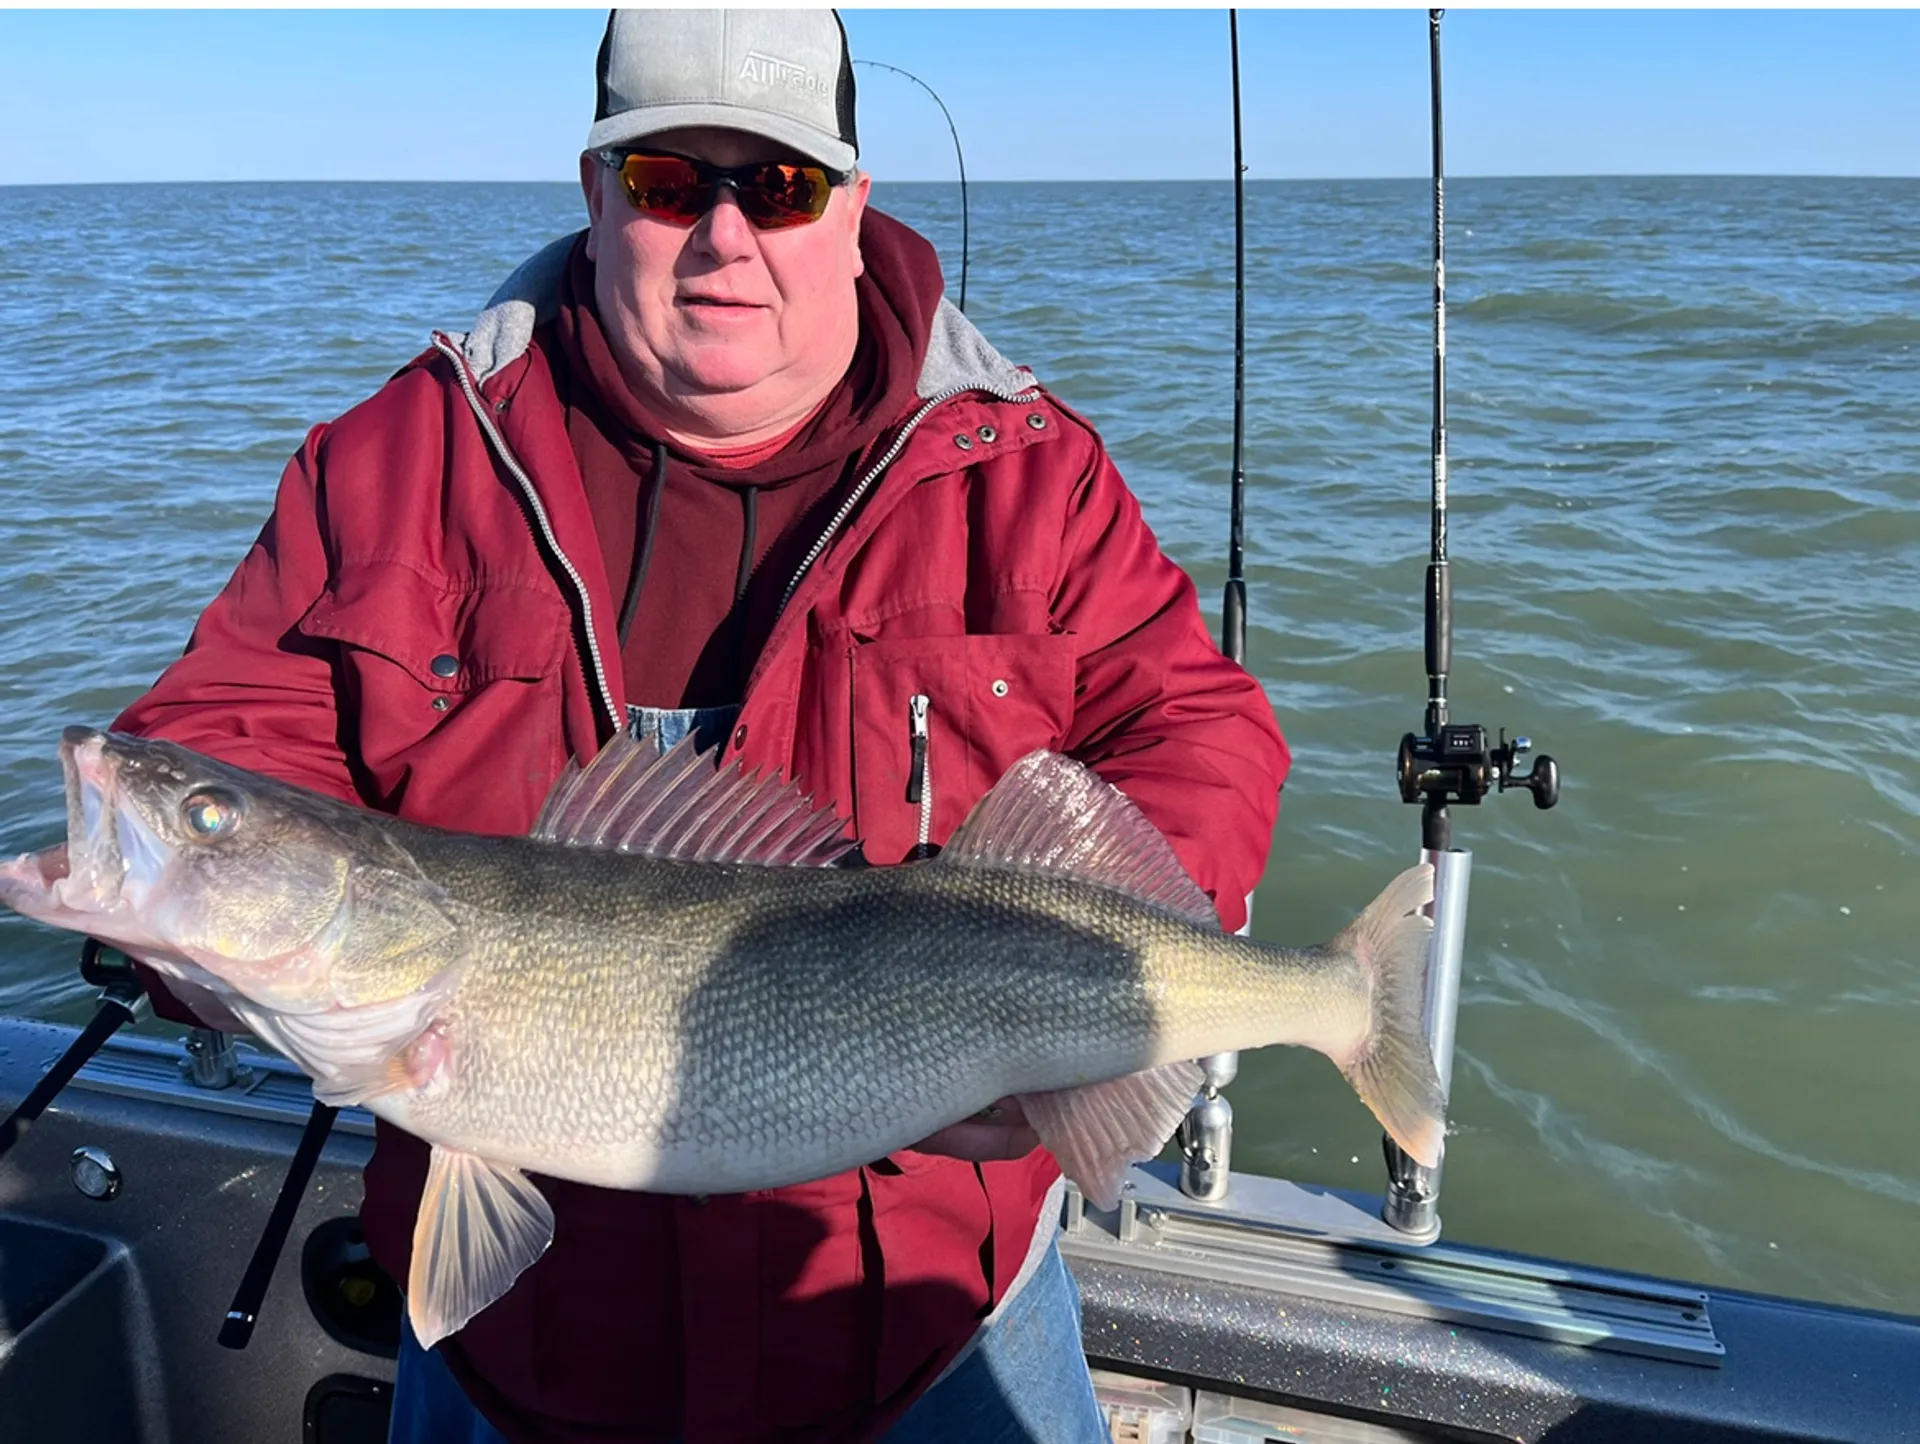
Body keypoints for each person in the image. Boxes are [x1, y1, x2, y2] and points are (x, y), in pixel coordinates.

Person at [115, 9, 1289, 1442]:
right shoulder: (400, 460)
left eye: (781, 186)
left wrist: (1073, 999)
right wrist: (215, 939)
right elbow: (230, 747)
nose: (724, 238)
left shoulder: (1023, 470)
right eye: (673, 181)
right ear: (596, 196)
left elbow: (1198, 729)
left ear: (856, 209)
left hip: (929, 1323)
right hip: (524, 1347)